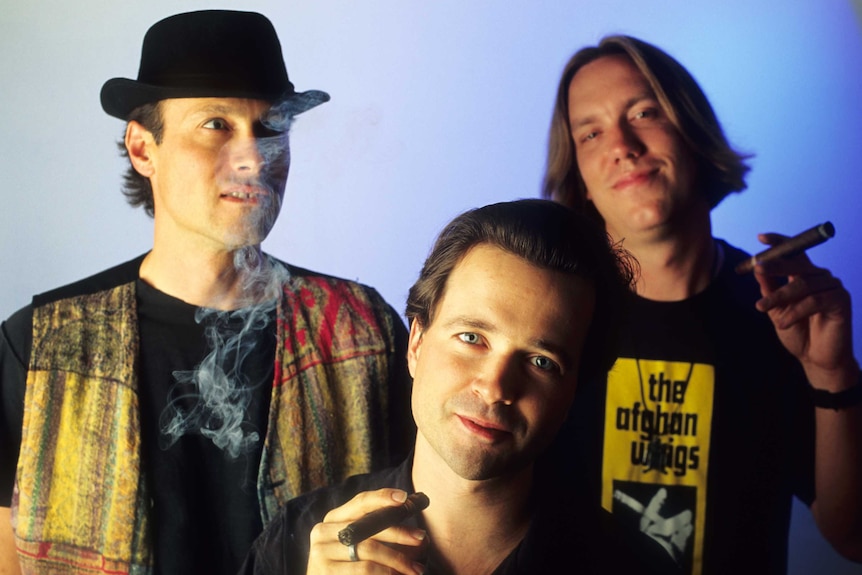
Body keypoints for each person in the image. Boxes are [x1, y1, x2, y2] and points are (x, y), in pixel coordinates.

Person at [0, 10, 413, 575]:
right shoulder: (41, 347)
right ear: (144, 148)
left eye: (270, 127)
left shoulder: (365, 333)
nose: (252, 156)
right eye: (215, 124)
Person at [543, 35, 862, 574]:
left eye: (644, 112)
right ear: (581, 180)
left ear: (691, 131)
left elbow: (854, 538)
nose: (621, 143)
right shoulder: (550, 315)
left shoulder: (784, 315)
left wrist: (832, 371)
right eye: (591, 132)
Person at [238, 199, 679, 575]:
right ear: (416, 343)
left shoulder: (633, 565)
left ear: (575, 392)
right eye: (472, 338)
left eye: (541, 361)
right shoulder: (298, 540)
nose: (494, 387)